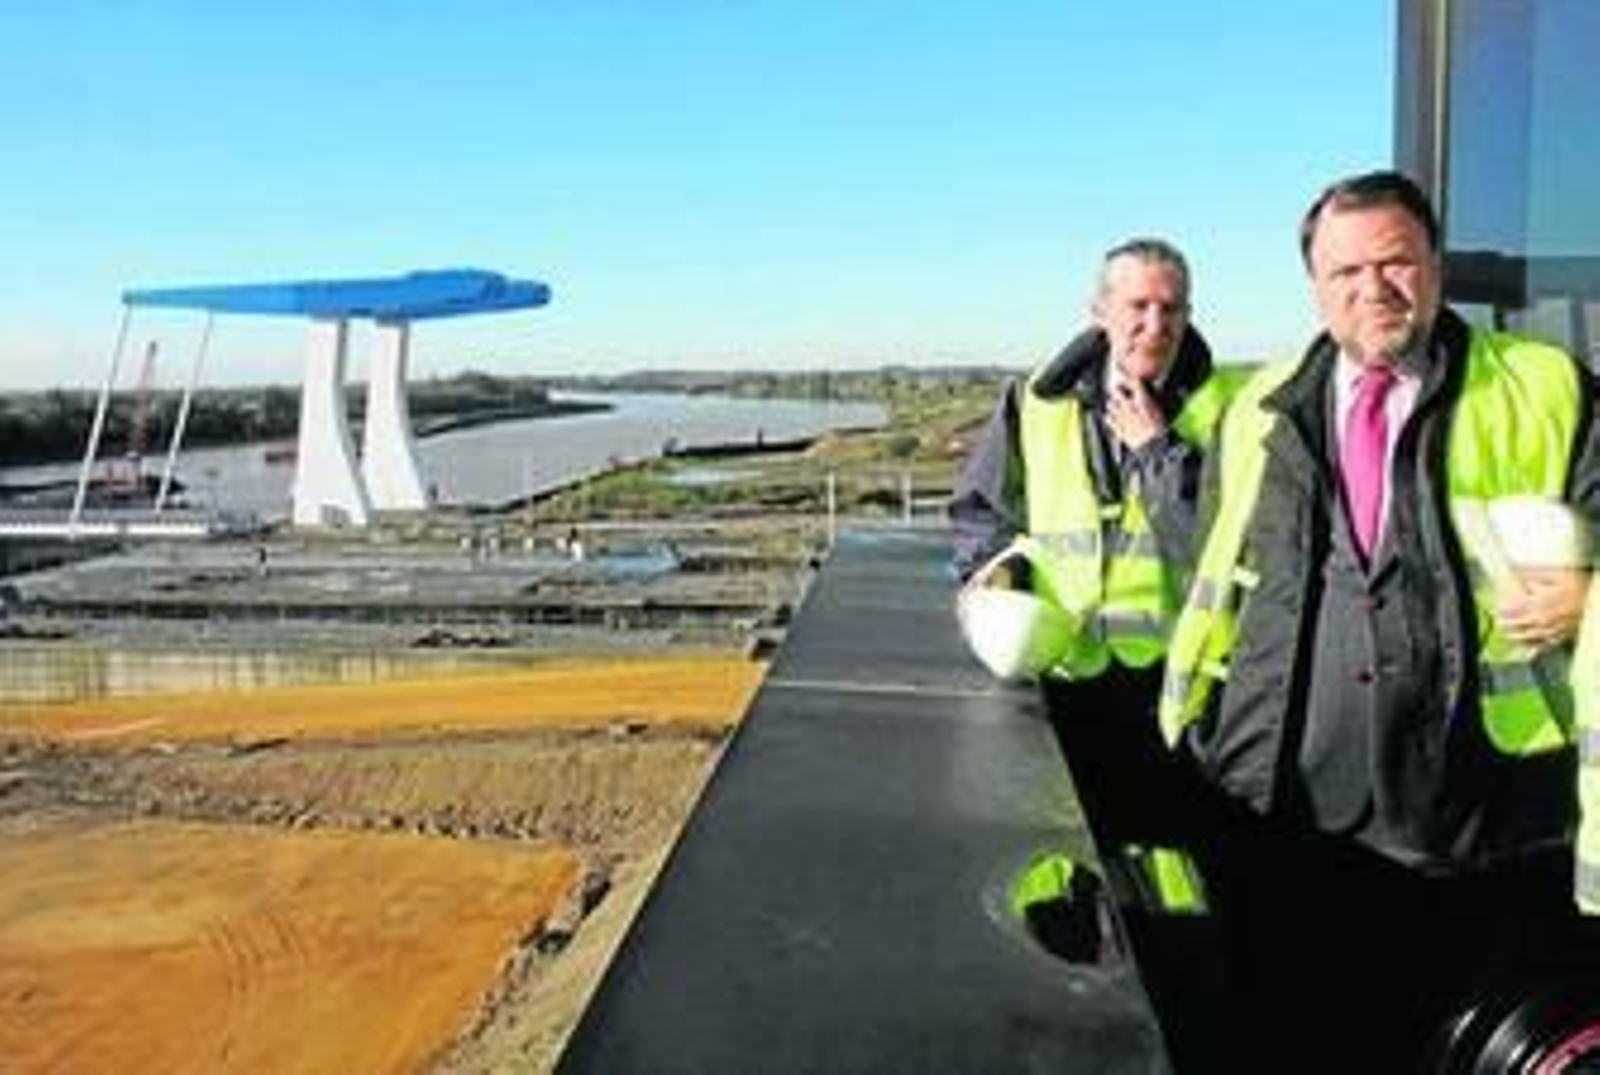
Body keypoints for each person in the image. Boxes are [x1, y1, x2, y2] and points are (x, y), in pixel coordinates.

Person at [1160, 170, 1600, 1070]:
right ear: (1315, 285)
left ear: (1434, 264)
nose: (1374, 288)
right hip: (1282, 804)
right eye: (1346, 271)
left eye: (1395, 261)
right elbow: (1214, 569)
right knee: (1298, 1031)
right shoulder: (1258, 407)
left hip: (1474, 814)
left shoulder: (1546, 387)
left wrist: (1591, 594)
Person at [950, 238, 1242, 845]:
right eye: (1138, 306)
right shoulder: (1035, 400)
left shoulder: (1227, 410)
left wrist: (1159, 452)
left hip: (1174, 683)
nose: (1155, 325)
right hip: (1060, 670)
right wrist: (994, 572)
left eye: (1172, 308)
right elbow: (984, 510)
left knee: (1172, 850)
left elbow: (1223, 543)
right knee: (1065, 844)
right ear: (1100, 311)